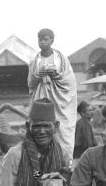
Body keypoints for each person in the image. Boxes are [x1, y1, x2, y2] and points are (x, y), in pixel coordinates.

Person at [27, 28, 77, 162]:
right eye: (40, 39)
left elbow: (70, 80)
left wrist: (57, 75)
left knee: (62, 130)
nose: (42, 42)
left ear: (52, 40)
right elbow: (30, 83)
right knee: (41, 128)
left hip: (59, 99)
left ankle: (65, 165)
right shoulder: (34, 61)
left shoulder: (62, 59)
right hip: (41, 97)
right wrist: (38, 76)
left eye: (45, 39)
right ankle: (38, 171)